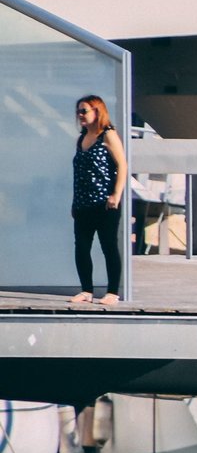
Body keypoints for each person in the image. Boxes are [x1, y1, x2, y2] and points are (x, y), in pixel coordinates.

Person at [69, 95, 127, 306]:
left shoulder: (108, 135)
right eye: (78, 111)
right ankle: (86, 290)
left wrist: (116, 194)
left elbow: (122, 165)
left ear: (97, 111)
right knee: (82, 246)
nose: (80, 115)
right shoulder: (82, 138)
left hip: (104, 203)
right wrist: (74, 203)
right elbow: (79, 174)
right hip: (83, 203)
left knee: (108, 245)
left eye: (84, 111)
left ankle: (112, 291)